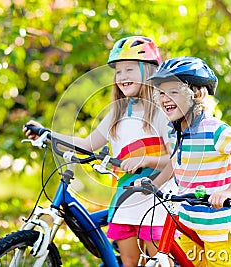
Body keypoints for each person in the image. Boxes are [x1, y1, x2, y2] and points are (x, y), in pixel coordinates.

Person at [23, 36, 177, 267]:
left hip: (157, 198)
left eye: (130, 70)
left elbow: (177, 159)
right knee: (129, 262)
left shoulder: (161, 112)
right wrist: (49, 134)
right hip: (125, 198)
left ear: (150, 72)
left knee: (156, 261)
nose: (122, 76)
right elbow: (87, 144)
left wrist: (145, 159)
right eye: (118, 71)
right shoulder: (118, 112)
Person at [138, 56, 231, 266]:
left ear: (197, 94)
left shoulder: (214, 129)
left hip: (217, 228)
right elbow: (176, 162)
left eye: (173, 92)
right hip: (188, 224)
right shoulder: (178, 132)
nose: (165, 98)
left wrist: (230, 191)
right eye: (161, 93)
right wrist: (155, 184)